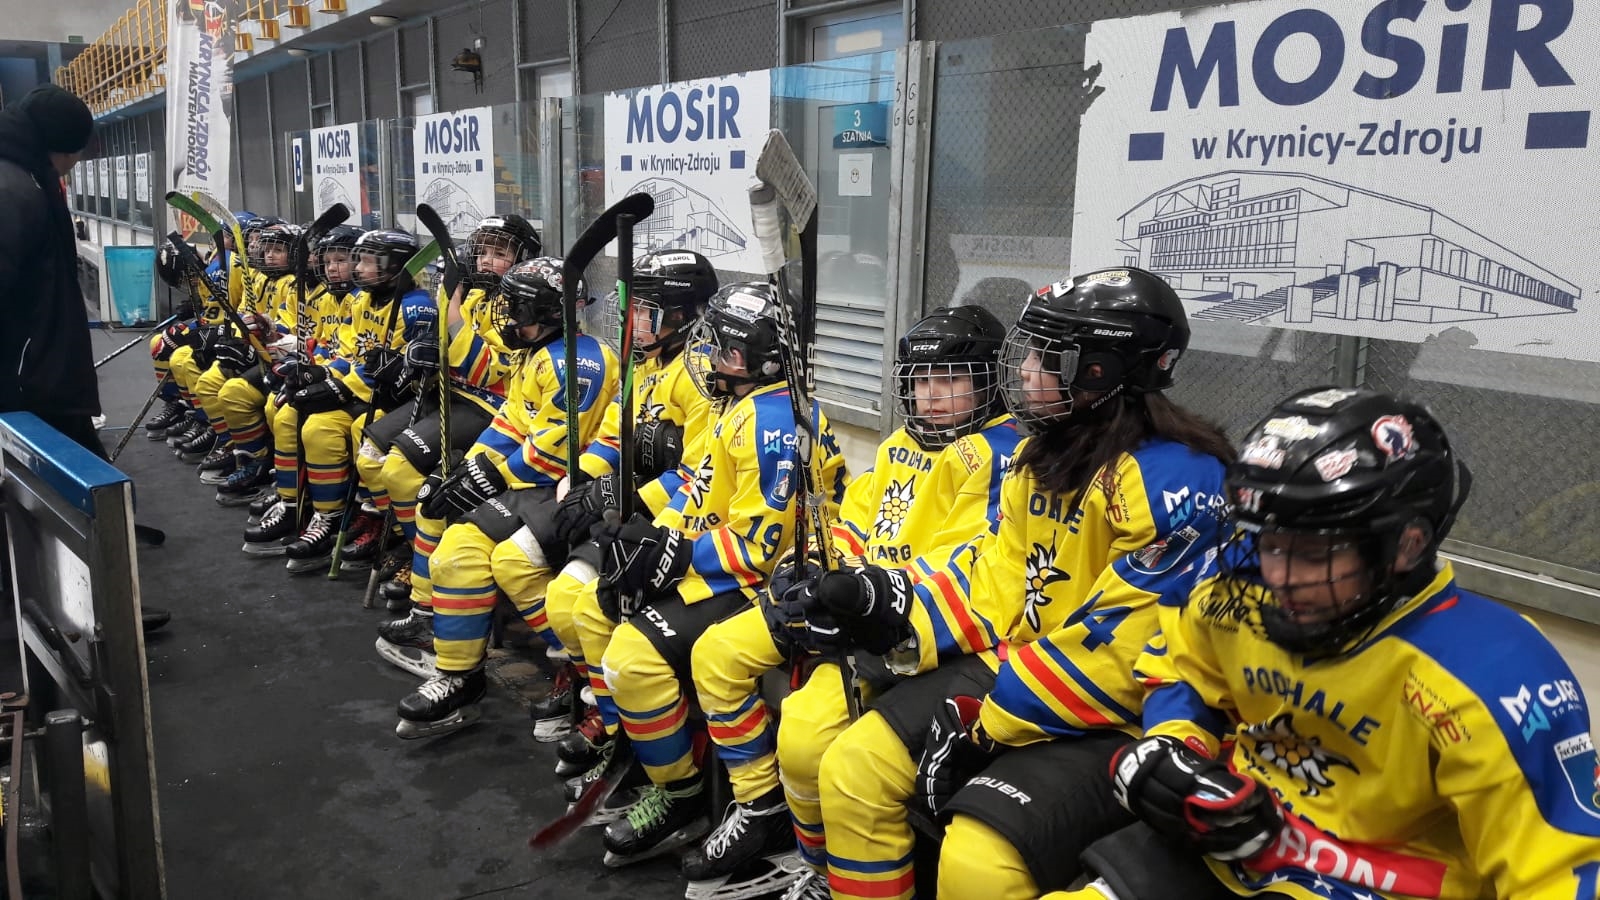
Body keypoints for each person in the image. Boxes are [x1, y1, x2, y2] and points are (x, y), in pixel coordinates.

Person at [774, 267, 1234, 900]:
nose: (1024, 371)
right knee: (854, 769)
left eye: (1046, 357)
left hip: (1119, 716)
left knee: (978, 867)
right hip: (1020, 671)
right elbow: (992, 579)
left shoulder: (1174, 482)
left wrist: (989, 724)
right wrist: (887, 607)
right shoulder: (1040, 452)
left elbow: (1120, 654)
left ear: (1099, 371)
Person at [1059, 387, 1600, 900]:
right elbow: (1182, 669)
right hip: (1229, 851)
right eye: (1270, 542)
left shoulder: (1496, 672)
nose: (1278, 576)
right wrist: (1177, 750)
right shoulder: (1240, 592)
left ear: (1406, 545)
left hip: (1375, 885)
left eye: (1314, 554)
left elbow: (1561, 872)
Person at [677, 304, 1022, 897]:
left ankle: (820, 867)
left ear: (989, 381)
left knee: (805, 740)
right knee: (716, 654)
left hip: (904, 631)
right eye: (921, 381)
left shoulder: (999, 456)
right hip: (842, 601)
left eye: (951, 381)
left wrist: (859, 600)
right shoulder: (899, 443)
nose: (931, 396)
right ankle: (763, 810)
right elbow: (853, 524)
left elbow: (962, 569)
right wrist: (812, 569)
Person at [586, 281, 850, 867]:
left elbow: (759, 548)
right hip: (719, 567)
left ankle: (694, 795)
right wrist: (655, 535)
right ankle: (646, 754)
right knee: (597, 605)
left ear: (763, 359)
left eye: (724, 350)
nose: (709, 358)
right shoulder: (743, 405)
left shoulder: (773, 422)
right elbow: (701, 489)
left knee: (632, 657)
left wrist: (678, 555)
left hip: (761, 585)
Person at [390, 257, 620, 738]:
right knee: (455, 552)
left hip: (569, 488)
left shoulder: (578, 362)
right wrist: (466, 470)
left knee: (495, 558)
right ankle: (459, 676)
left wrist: (490, 478)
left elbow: (554, 452)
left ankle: (579, 668)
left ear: (548, 313)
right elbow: (511, 423)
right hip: (531, 485)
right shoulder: (535, 353)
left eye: (517, 308)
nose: (508, 317)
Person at [0, 85, 100, 451]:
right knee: (82, 478)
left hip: (40, 375)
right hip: (29, 383)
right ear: (63, 149)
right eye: (76, 154)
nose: (74, 163)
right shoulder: (13, 191)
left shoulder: (26, 178)